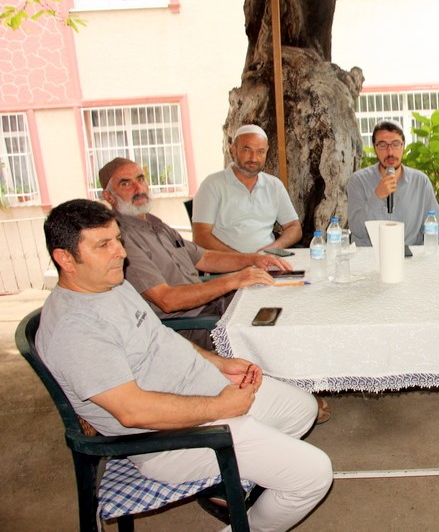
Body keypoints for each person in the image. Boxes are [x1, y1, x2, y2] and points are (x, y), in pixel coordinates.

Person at [37, 199, 332, 531]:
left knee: (302, 410)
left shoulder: (111, 285)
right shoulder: (75, 328)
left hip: (205, 390)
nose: (120, 251)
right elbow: (132, 411)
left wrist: (219, 364)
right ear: (65, 258)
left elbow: (161, 335)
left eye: (118, 239)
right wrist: (221, 406)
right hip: (171, 437)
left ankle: (233, 478)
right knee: (313, 475)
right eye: (103, 244)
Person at [99, 157, 290, 351]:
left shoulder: (156, 225)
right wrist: (234, 280)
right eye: (126, 184)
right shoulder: (121, 240)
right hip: (190, 327)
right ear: (109, 196)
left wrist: (255, 259)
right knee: (275, 335)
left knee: (280, 301)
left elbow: (204, 258)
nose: (138, 188)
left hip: (211, 306)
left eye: (140, 179)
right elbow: (167, 300)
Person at [192, 124, 302, 253]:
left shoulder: (274, 185)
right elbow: (201, 237)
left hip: (267, 263)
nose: (253, 158)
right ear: (233, 149)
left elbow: (294, 228)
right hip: (229, 266)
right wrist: (243, 260)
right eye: (246, 150)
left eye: (260, 151)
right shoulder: (212, 185)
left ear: (267, 151)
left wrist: (273, 249)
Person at [347, 120, 439, 247]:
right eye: (383, 145)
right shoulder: (358, 181)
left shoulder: (420, 182)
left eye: (395, 144)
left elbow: (437, 226)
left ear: (403, 146)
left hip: (409, 256)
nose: (390, 152)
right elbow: (357, 229)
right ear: (374, 148)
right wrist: (377, 197)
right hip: (370, 256)